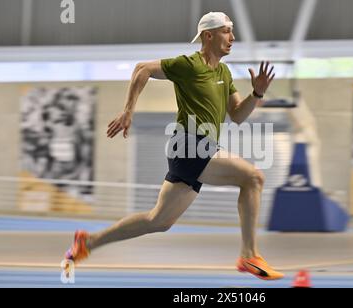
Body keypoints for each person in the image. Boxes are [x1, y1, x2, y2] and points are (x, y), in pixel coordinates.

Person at [64, 12, 284, 280]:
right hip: (189, 144)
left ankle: (89, 242)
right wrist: (128, 111)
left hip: (198, 149)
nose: (233, 37)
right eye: (227, 31)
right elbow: (141, 69)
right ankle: (249, 255)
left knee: (158, 221)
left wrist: (257, 93)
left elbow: (237, 114)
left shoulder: (224, 72)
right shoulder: (188, 65)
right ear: (208, 35)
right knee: (253, 177)